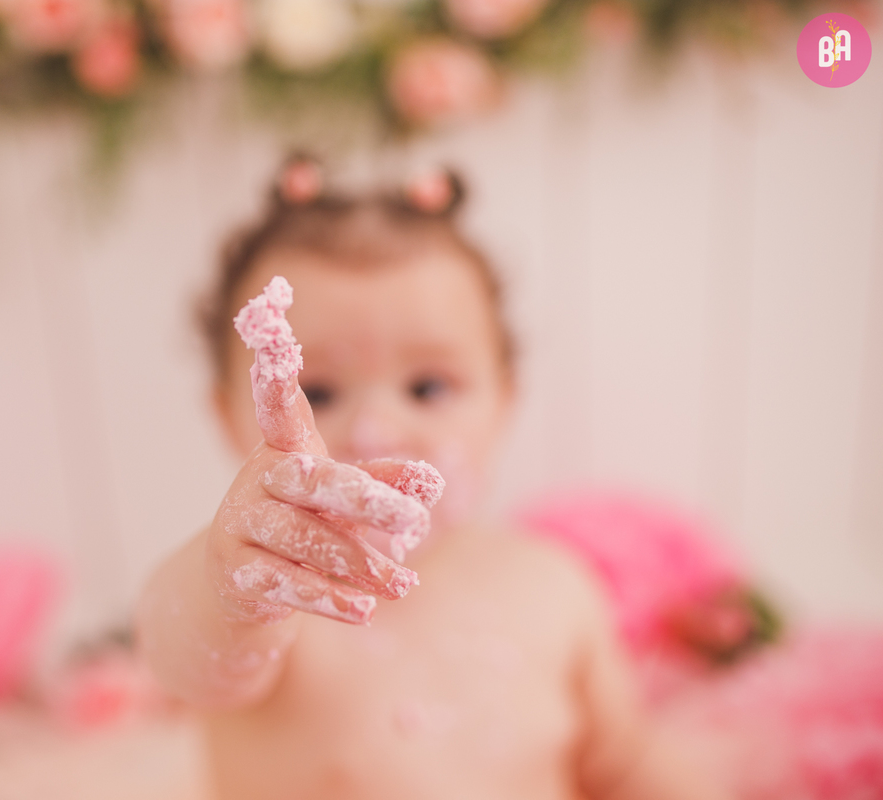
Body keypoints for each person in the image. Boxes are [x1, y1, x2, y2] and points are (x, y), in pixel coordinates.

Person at [135, 156, 726, 799]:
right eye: (318, 392)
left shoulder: (554, 587)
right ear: (228, 417)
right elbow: (186, 657)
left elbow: (625, 770)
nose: (374, 431)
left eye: (428, 387)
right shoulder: (266, 608)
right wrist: (230, 585)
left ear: (503, 400)